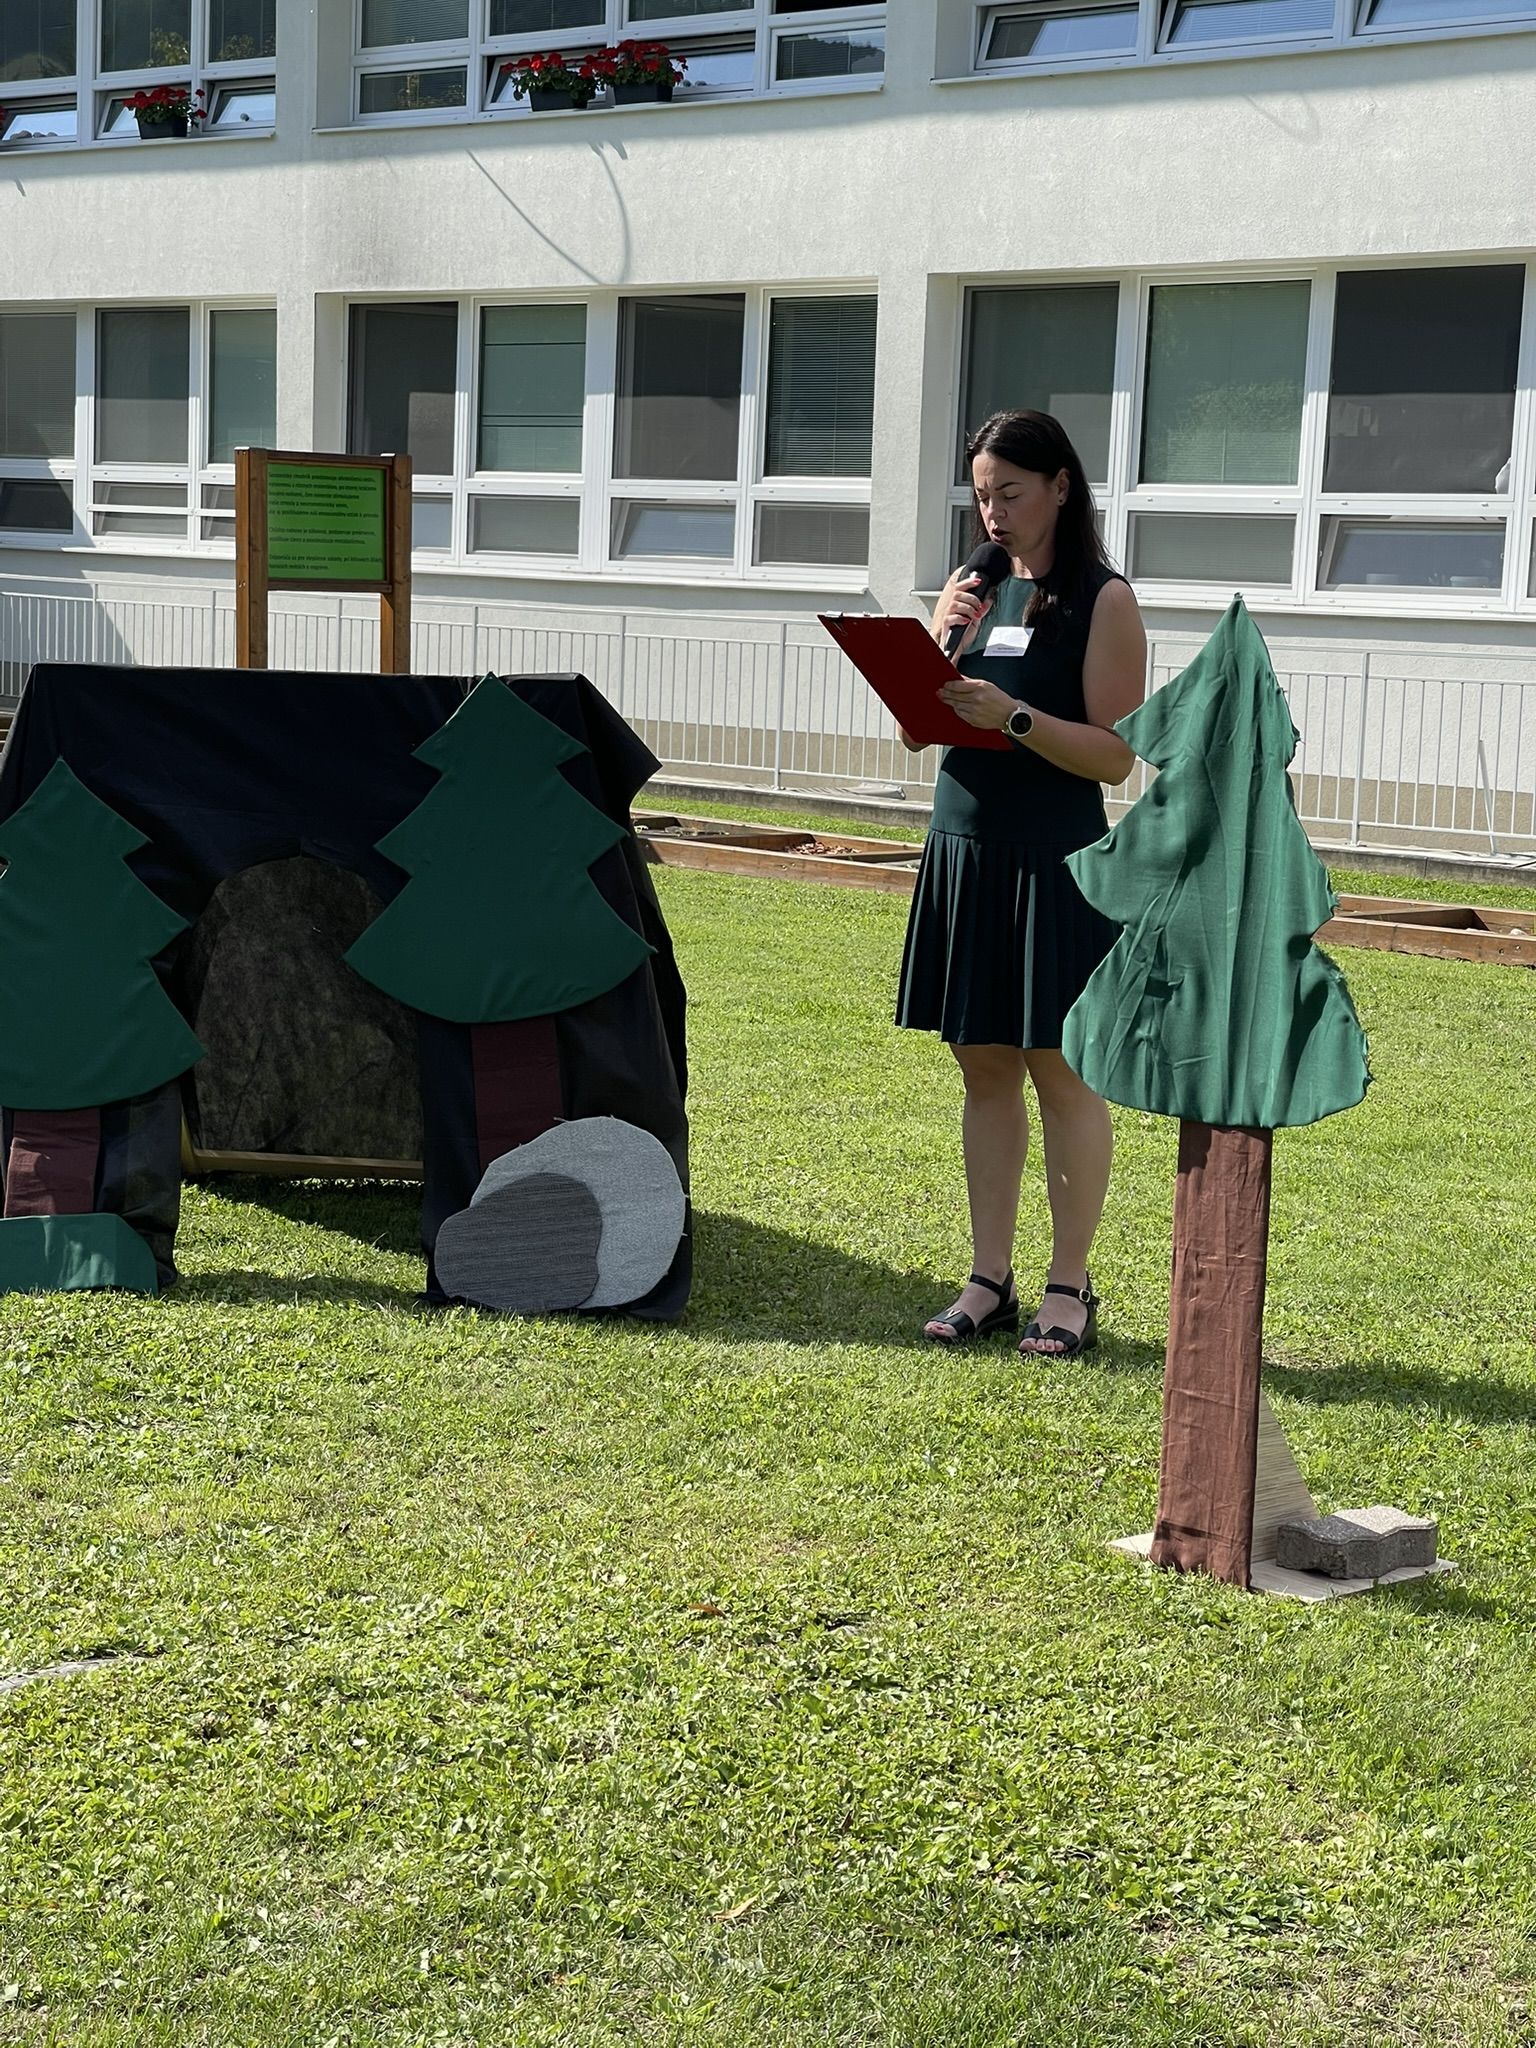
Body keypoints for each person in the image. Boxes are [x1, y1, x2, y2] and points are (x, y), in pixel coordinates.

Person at [895, 409, 1147, 1358]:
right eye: (981, 496)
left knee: (1060, 1072)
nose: (992, 514)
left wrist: (1014, 719)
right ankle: (987, 1279)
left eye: (1009, 492)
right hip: (965, 849)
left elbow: (1116, 757)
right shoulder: (971, 590)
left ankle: (1069, 1287)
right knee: (984, 1066)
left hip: (1054, 859)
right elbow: (915, 731)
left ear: (1060, 488)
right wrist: (937, 644)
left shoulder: (1104, 600)